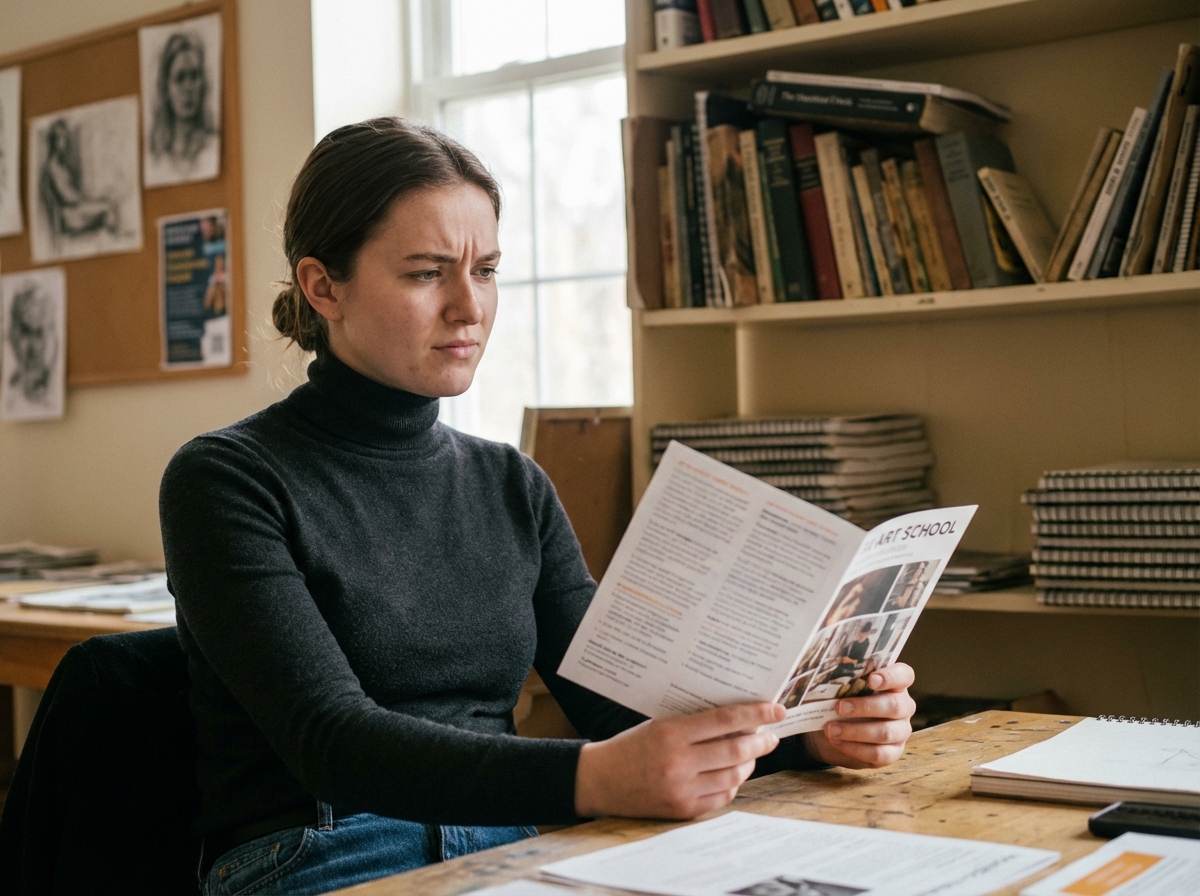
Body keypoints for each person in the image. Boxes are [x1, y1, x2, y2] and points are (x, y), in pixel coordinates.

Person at [159, 117, 918, 896]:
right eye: (426, 273)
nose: (469, 307)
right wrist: (594, 778)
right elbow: (330, 741)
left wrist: (808, 736)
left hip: (510, 846)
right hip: (323, 853)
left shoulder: (511, 484)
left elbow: (613, 704)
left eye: (485, 270)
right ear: (323, 286)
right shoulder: (226, 478)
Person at [149, 31, 216, 168]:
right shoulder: (157, 158)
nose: (188, 88)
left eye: (194, 76)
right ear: (166, 88)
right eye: (180, 78)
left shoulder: (213, 146)